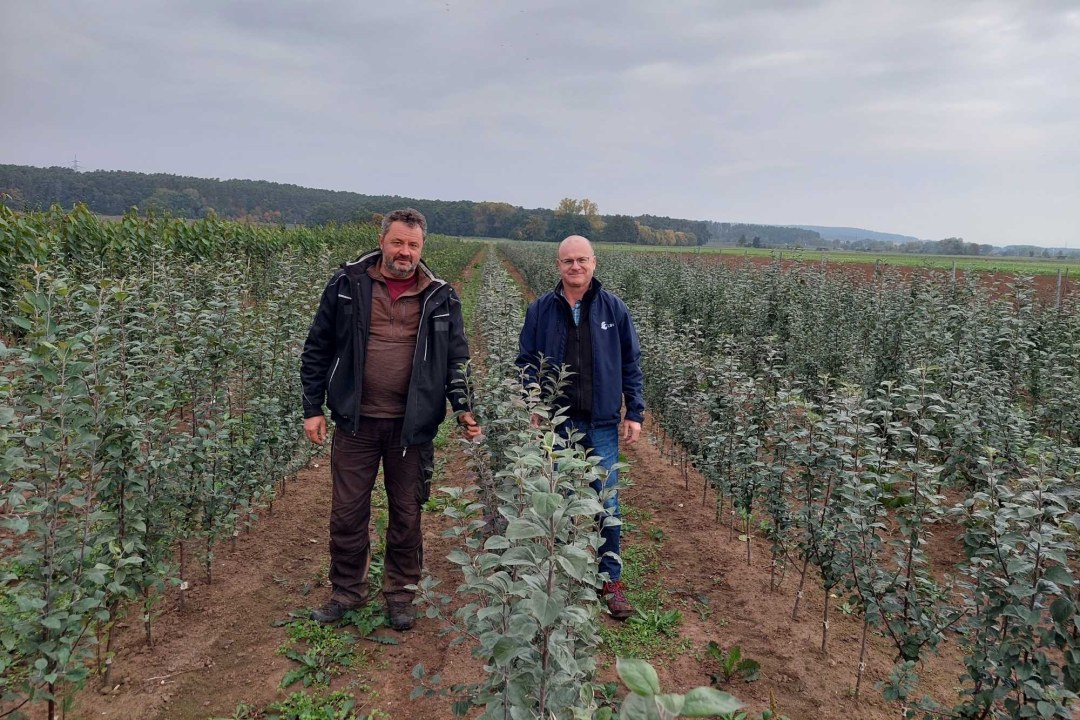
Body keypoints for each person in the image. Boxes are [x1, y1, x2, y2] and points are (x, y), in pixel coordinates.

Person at [300, 207, 481, 630]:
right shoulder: (347, 284)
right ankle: (347, 592)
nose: (405, 251)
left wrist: (464, 408)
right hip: (356, 421)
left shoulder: (441, 296)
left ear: (422, 247)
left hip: (411, 428)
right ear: (382, 240)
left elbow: (457, 358)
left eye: (413, 245)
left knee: (406, 512)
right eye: (398, 242)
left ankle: (400, 594)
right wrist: (313, 407)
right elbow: (317, 347)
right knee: (347, 512)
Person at [515, 234, 644, 620]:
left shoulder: (614, 309)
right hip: (557, 421)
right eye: (568, 261)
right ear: (558, 265)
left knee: (607, 504)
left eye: (581, 260)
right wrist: (535, 404)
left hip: (601, 421)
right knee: (558, 500)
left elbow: (630, 364)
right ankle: (562, 577)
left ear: (594, 263)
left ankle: (610, 581)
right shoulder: (541, 309)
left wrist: (634, 411)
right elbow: (526, 362)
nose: (575, 267)